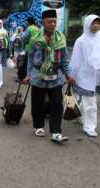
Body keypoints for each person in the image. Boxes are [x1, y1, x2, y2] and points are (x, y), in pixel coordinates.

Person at [23, 9, 74, 143]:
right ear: (43, 23)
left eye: (54, 21)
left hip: (56, 77)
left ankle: (56, 132)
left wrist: (68, 74)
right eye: (50, 21)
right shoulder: (35, 39)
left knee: (57, 104)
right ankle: (39, 126)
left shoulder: (60, 38)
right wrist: (28, 75)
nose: (53, 24)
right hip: (38, 76)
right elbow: (30, 58)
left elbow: (64, 59)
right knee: (37, 103)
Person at [70, 15, 100, 137]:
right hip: (85, 76)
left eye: (98, 23)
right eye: (94, 23)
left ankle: (79, 116)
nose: (96, 25)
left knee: (89, 100)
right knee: (91, 102)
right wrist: (71, 75)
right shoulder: (81, 41)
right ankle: (89, 127)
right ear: (87, 24)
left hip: (97, 75)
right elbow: (76, 59)